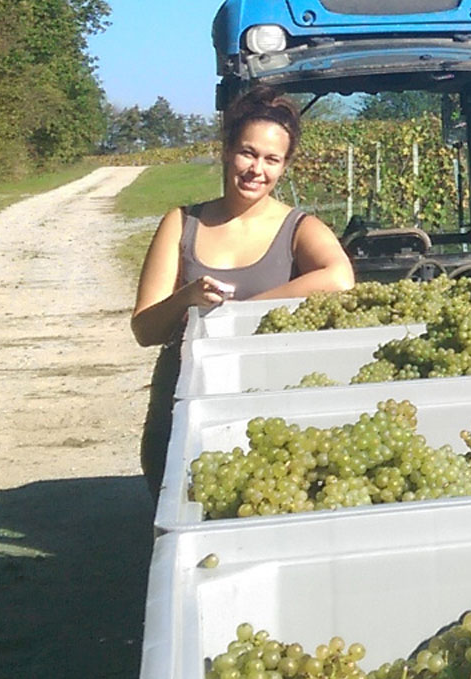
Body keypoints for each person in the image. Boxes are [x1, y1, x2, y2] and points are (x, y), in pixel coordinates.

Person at [131, 85, 356, 485]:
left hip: (266, 405)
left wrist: (243, 311)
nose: (257, 170)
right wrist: (188, 297)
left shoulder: (298, 227)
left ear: (285, 166)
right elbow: (145, 330)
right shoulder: (182, 223)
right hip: (184, 402)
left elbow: (340, 278)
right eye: (248, 153)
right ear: (227, 150)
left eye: (272, 159)